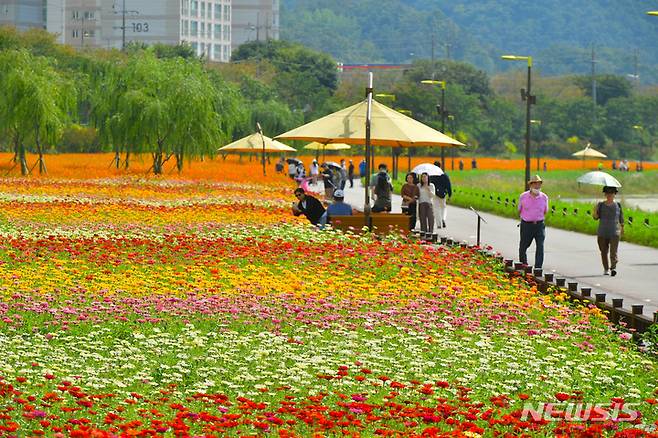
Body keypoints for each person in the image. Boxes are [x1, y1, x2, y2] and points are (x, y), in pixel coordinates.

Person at [518, 175, 549, 269]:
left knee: (540, 245)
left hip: (539, 225)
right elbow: (519, 209)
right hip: (526, 224)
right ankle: (523, 264)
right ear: (531, 185)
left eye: (538, 184)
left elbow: (545, 210)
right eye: (535, 184)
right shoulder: (523, 196)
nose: (537, 186)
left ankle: (538, 267)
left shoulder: (544, 197)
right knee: (524, 245)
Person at [593, 186, 624, 276]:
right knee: (603, 251)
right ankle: (606, 268)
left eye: (612, 193)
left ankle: (613, 268)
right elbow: (595, 217)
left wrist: (622, 227)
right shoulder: (600, 205)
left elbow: (621, 217)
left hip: (614, 231)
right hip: (602, 231)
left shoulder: (618, 205)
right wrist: (595, 211)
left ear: (615, 194)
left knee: (613, 252)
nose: (609, 195)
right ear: (605, 194)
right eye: (608, 193)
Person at [429, 161, 452, 229]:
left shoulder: (432, 176)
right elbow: (448, 185)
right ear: (440, 166)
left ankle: (439, 224)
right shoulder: (444, 175)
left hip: (435, 194)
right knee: (443, 207)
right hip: (443, 194)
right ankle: (443, 219)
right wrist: (450, 194)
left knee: (436, 209)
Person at [417, 172, 436, 237]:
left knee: (431, 218)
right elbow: (417, 194)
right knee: (422, 219)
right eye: (422, 177)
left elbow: (432, 196)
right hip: (421, 203)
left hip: (429, 203)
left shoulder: (431, 185)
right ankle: (423, 233)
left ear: (428, 178)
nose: (424, 178)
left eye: (425, 177)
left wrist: (428, 189)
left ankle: (430, 233)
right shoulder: (419, 185)